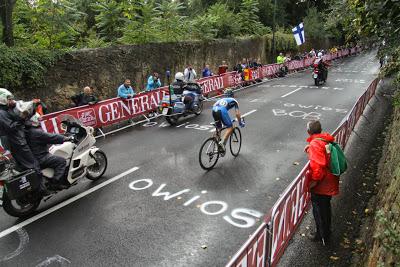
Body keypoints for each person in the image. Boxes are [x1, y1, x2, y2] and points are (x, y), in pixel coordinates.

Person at [21, 104, 73, 190]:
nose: (39, 120)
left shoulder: (25, 131)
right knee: (61, 161)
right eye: (37, 119)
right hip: (41, 157)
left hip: (32, 157)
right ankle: (56, 182)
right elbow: (51, 137)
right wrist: (66, 138)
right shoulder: (36, 132)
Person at [304, 120, 339, 245]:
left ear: (309, 132)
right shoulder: (324, 139)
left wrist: (313, 182)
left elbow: (318, 167)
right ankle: (326, 233)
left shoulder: (315, 144)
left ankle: (322, 236)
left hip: (322, 184)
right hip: (330, 180)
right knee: (326, 208)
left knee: (319, 211)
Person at [212, 89, 244, 154]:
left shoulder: (221, 100)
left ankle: (216, 145)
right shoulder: (234, 101)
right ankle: (222, 143)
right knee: (230, 127)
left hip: (214, 110)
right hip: (222, 111)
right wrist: (240, 123)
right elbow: (237, 114)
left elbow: (216, 107)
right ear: (232, 95)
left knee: (219, 128)